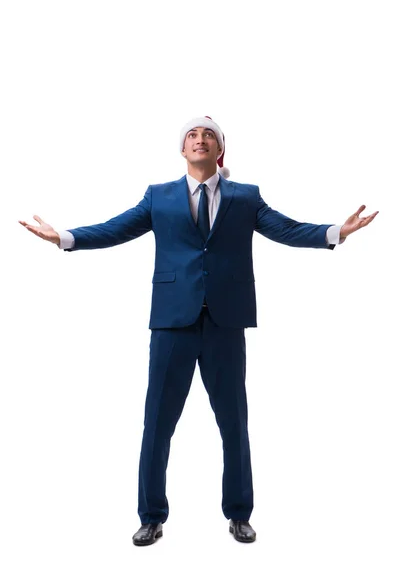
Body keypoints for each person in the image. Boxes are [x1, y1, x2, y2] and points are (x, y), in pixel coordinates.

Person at [19, 116, 378, 546]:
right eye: (193, 135)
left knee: (234, 423)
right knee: (157, 423)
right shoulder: (159, 197)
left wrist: (334, 232)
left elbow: (284, 228)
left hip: (226, 322)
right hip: (172, 322)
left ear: (219, 150)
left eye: (209, 135)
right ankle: (151, 516)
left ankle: (239, 513)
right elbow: (117, 228)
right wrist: (64, 236)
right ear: (183, 149)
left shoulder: (246, 198)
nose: (200, 139)